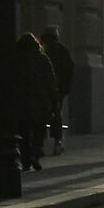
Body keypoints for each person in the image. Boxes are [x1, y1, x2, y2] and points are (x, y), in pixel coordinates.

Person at [15, 33, 58, 171]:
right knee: (39, 130)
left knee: (24, 132)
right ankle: (35, 153)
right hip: (40, 100)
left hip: (22, 100)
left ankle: (26, 160)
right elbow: (51, 81)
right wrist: (54, 100)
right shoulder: (42, 59)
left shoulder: (18, 60)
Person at [41, 26, 75, 154]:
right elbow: (69, 71)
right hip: (57, 89)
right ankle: (57, 141)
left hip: (44, 89)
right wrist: (65, 89)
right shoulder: (62, 50)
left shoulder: (43, 49)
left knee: (43, 115)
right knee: (56, 115)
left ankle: (41, 142)